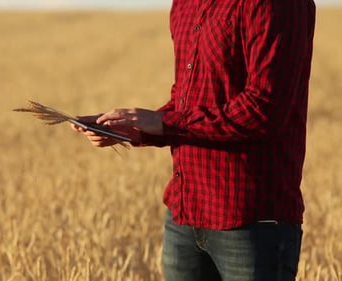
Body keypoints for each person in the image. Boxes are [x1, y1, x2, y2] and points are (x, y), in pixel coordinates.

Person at [71, 0, 316, 280]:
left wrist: (163, 123)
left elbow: (263, 109)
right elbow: (187, 99)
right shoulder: (186, 3)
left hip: (252, 221)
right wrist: (132, 129)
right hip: (185, 214)